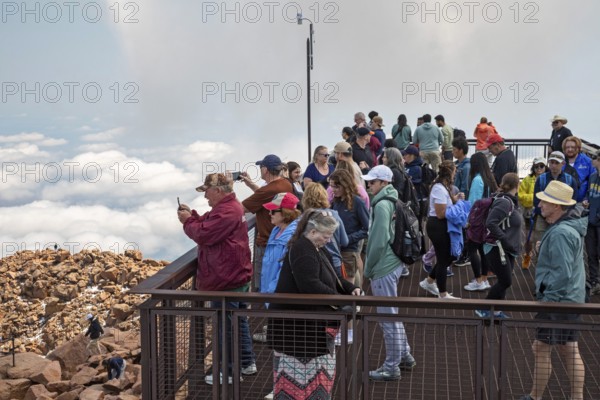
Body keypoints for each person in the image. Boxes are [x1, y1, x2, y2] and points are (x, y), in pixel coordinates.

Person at [268, 210, 361, 400]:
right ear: (312, 232)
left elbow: (332, 277)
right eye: (326, 236)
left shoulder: (314, 247)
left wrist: (350, 288)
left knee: (305, 382)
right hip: (298, 331)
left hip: (304, 330)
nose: (328, 240)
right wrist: (339, 301)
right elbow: (310, 284)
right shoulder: (303, 250)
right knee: (302, 384)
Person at [177, 173, 256, 384]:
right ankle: (246, 362)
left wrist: (187, 223)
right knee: (237, 321)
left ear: (218, 190)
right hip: (234, 274)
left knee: (226, 326)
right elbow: (207, 223)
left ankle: (229, 372)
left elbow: (204, 234)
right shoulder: (229, 207)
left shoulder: (227, 211)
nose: (205, 197)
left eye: (207, 192)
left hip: (225, 277)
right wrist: (191, 216)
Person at [519, 180, 586, 400]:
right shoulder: (565, 229)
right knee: (568, 348)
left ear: (557, 206)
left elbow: (561, 273)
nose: (539, 205)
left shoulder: (560, 234)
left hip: (559, 300)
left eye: (544, 201)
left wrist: (548, 300)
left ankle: (535, 396)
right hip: (571, 298)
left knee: (542, 348)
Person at [364, 165, 416, 380]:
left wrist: (368, 269)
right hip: (394, 262)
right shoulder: (393, 200)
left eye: (373, 182)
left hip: (384, 266)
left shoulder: (382, 205)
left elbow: (377, 242)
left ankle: (391, 367)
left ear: (384, 183)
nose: (369, 184)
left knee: (387, 319)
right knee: (392, 314)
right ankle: (404, 355)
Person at [240, 154, 293, 293]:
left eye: (261, 166)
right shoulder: (286, 183)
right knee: (275, 281)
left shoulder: (268, 190)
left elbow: (240, 209)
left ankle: (260, 312)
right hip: (280, 239)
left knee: (261, 284)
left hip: (266, 242)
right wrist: (250, 184)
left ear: (265, 170)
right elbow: (265, 195)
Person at [475, 173, 523, 318]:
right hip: (498, 247)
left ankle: (495, 311)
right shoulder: (505, 202)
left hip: (506, 248)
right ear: (517, 185)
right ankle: (483, 308)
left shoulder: (508, 200)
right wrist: (504, 240)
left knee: (504, 280)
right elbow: (491, 222)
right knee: (505, 281)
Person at [419, 161, 464, 299]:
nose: (455, 175)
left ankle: (429, 281)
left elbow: (444, 205)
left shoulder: (443, 187)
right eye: (454, 172)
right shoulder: (439, 188)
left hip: (441, 225)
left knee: (447, 257)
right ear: (450, 173)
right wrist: (457, 211)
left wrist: (455, 200)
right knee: (444, 259)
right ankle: (443, 293)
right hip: (438, 225)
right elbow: (440, 213)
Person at [463, 152, 498, 291]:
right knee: (483, 251)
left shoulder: (477, 179)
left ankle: (478, 280)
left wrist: (467, 220)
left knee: (472, 250)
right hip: (487, 218)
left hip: (477, 220)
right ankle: (484, 279)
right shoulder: (490, 178)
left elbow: (473, 202)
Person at [329, 169, 370, 288]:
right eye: (331, 186)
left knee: (348, 283)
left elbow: (367, 228)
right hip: (335, 248)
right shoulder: (335, 202)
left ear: (345, 185)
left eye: (336, 186)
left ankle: (354, 303)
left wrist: (348, 238)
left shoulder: (357, 202)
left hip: (349, 250)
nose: (333, 190)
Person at [518, 157, 548, 268]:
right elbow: (521, 196)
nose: (539, 169)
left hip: (544, 212)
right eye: (536, 166)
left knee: (541, 237)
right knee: (529, 238)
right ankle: (527, 255)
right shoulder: (527, 179)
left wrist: (535, 199)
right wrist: (536, 198)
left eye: (541, 166)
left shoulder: (549, 179)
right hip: (529, 212)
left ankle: (541, 258)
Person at [583, 150, 600, 295]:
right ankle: (595, 282)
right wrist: (586, 200)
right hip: (591, 220)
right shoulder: (593, 176)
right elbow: (589, 193)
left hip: (598, 220)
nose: (592, 161)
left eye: (594, 158)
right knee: (591, 253)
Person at [562, 136, 595, 203]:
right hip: (563, 202)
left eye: (573, 147)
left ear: (578, 148)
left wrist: (587, 198)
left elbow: (593, 182)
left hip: (581, 203)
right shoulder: (560, 161)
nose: (570, 149)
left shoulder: (588, 162)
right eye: (567, 147)